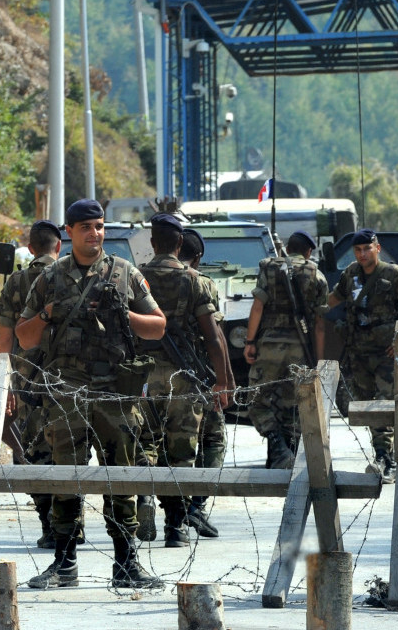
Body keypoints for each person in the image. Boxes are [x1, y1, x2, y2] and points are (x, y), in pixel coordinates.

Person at [15, 198, 167, 590]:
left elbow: (157, 327)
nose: (94, 234)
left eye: (99, 226)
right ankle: (64, 562)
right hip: (66, 396)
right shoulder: (50, 278)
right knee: (67, 478)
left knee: (121, 478)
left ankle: (127, 563)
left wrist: (124, 314)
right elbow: (24, 336)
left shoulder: (124, 273)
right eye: (86, 227)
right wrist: (47, 313)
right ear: (69, 232)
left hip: (116, 395)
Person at [138, 214, 231, 547]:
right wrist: (222, 381)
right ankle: (175, 527)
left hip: (143, 374)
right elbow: (213, 337)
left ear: (152, 243)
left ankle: (145, 499)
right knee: (181, 448)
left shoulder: (135, 277)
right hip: (184, 376)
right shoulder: (197, 281)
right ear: (180, 244)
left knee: (146, 442)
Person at [0, 219, 84, 549]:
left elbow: (5, 340)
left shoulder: (16, 282)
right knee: (71, 453)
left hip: (28, 384)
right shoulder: (72, 278)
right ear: (59, 246)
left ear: (30, 249)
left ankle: (49, 526)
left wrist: (4, 387)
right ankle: (74, 524)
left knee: (35, 455)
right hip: (69, 381)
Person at [328, 229, 398, 483]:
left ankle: (387, 458)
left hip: (387, 354)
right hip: (359, 354)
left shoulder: (393, 274)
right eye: (358, 250)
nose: (363, 254)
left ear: (377, 248)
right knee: (369, 406)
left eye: (367, 249)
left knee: (385, 403)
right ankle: (384, 454)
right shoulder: (350, 274)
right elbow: (333, 300)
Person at [244, 231, 328, 470]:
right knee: (292, 403)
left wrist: (250, 342)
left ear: (287, 248)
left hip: (269, 345)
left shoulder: (268, 267)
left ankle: (278, 447)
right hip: (300, 350)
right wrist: (318, 361)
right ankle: (287, 454)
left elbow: (257, 307)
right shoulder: (317, 275)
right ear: (308, 251)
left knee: (257, 399)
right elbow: (320, 325)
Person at [180, 228, 232, 538]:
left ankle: (169, 511)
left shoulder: (143, 277)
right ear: (198, 257)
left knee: (161, 445)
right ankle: (195, 505)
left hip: (157, 376)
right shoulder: (203, 284)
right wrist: (225, 378)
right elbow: (216, 335)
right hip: (200, 376)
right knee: (212, 440)